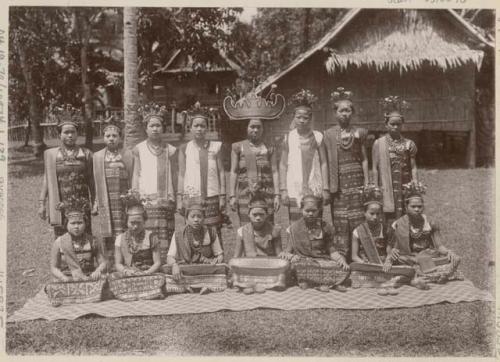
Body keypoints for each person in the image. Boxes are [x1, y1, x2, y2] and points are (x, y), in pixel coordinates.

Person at [224, 89, 285, 225]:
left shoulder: (270, 147)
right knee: (247, 228)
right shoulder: (237, 147)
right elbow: (233, 172)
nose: (255, 130)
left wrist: (276, 195)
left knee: (266, 227)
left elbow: (275, 171)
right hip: (245, 194)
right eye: (252, 127)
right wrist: (232, 196)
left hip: (266, 194)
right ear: (246, 128)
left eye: (258, 127)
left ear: (263, 128)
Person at [385, 182, 461, 287]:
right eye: (413, 206)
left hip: (428, 256)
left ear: (423, 207)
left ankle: (417, 278)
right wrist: (391, 253)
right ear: (406, 207)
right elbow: (390, 248)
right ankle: (434, 276)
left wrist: (449, 252)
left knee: (454, 259)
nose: (417, 209)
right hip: (409, 258)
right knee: (402, 261)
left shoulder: (431, 223)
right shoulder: (398, 224)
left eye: (419, 206)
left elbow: (439, 246)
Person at [323, 87, 369, 256]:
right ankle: (343, 253)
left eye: (348, 110)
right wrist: (327, 187)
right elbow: (325, 162)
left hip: (357, 180)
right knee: (341, 218)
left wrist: (367, 183)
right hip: (339, 183)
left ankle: (360, 252)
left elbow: (364, 159)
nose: (345, 114)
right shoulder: (328, 135)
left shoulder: (359, 133)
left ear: (352, 113)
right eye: (341, 111)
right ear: (335, 113)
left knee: (358, 216)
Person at [38, 104, 95, 237]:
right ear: (59, 135)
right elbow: (47, 180)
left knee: (84, 235)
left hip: (82, 203)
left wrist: (95, 201)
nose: (70, 135)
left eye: (73, 132)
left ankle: (85, 258)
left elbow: (92, 179)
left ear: (77, 134)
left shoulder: (86, 154)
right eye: (66, 132)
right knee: (63, 239)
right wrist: (42, 204)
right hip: (61, 204)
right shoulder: (51, 155)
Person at [131, 103, 177, 261]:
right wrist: (135, 193)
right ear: (146, 128)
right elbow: (136, 173)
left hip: (165, 199)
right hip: (146, 198)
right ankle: (149, 262)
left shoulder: (170, 149)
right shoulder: (139, 149)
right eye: (152, 125)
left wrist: (175, 195)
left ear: (162, 128)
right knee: (148, 231)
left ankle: (166, 262)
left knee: (166, 231)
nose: (155, 129)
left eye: (158, 125)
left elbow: (175, 175)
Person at [280, 195, 349, 292]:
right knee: (298, 266)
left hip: (322, 260)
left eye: (314, 211)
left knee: (339, 266)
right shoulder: (294, 228)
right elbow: (287, 251)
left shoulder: (325, 227)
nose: (311, 213)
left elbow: (331, 250)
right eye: (307, 211)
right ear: (301, 210)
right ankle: (327, 283)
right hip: (304, 261)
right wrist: (291, 256)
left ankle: (321, 283)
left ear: (319, 210)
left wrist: (340, 260)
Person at [279, 89, 329, 223]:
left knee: (315, 222)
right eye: (298, 117)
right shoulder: (288, 137)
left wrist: (325, 188)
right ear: (293, 117)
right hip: (294, 187)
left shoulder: (318, 137)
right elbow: (283, 165)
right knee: (296, 225)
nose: (302, 120)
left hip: (314, 186)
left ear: (311, 118)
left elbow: (324, 163)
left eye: (305, 118)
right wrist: (283, 189)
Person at [178, 102, 226, 239]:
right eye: (196, 126)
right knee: (193, 229)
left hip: (212, 195)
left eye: (202, 126)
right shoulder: (184, 148)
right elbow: (181, 174)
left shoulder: (216, 146)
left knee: (213, 229)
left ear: (207, 128)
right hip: (192, 195)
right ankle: (194, 258)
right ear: (190, 128)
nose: (199, 129)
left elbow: (222, 172)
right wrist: (180, 198)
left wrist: (223, 196)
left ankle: (217, 257)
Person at [93, 116, 134, 270]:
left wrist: (132, 198)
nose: (111, 139)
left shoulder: (128, 154)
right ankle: (110, 264)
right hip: (106, 200)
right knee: (108, 232)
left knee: (124, 230)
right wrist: (97, 201)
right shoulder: (97, 157)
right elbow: (96, 182)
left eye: (114, 136)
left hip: (123, 200)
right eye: (108, 136)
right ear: (103, 138)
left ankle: (126, 262)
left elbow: (132, 176)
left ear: (120, 137)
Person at [110, 190, 164, 301]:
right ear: (126, 222)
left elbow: (158, 262)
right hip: (130, 274)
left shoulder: (151, 237)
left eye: (138, 223)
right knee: (112, 277)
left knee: (162, 277)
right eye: (132, 223)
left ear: (144, 221)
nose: (135, 226)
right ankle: (148, 293)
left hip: (148, 273)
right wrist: (126, 271)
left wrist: (146, 273)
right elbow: (118, 264)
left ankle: (134, 293)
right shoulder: (120, 239)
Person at [372, 96, 418, 226]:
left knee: (405, 210)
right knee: (387, 214)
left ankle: (405, 239)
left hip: (404, 184)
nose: (395, 127)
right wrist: (376, 187)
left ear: (402, 124)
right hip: (386, 186)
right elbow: (375, 168)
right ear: (386, 125)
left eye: (398, 124)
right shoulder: (378, 143)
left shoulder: (409, 144)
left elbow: (413, 167)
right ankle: (388, 242)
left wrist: (415, 183)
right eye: (392, 124)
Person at [166, 198, 226, 294]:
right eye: (192, 217)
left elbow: (219, 254)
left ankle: (192, 286)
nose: (196, 220)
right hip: (187, 268)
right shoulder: (178, 234)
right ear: (186, 219)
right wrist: (174, 265)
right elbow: (170, 257)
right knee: (170, 271)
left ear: (204, 218)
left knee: (221, 269)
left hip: (206, 268)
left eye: (199, 217)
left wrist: (217, 260)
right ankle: (202, 285)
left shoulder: (210, 232)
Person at [49, 197, 107, 282]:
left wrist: (97, 271)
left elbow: (103, 263)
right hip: (68, 279)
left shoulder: (92, 241)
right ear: (66, 224)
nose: (76, 227)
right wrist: (62, 277)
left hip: (89, 278)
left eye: (79, 223)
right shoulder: (59, 242)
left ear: (85, 224)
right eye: (73, 223)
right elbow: (53, 267)